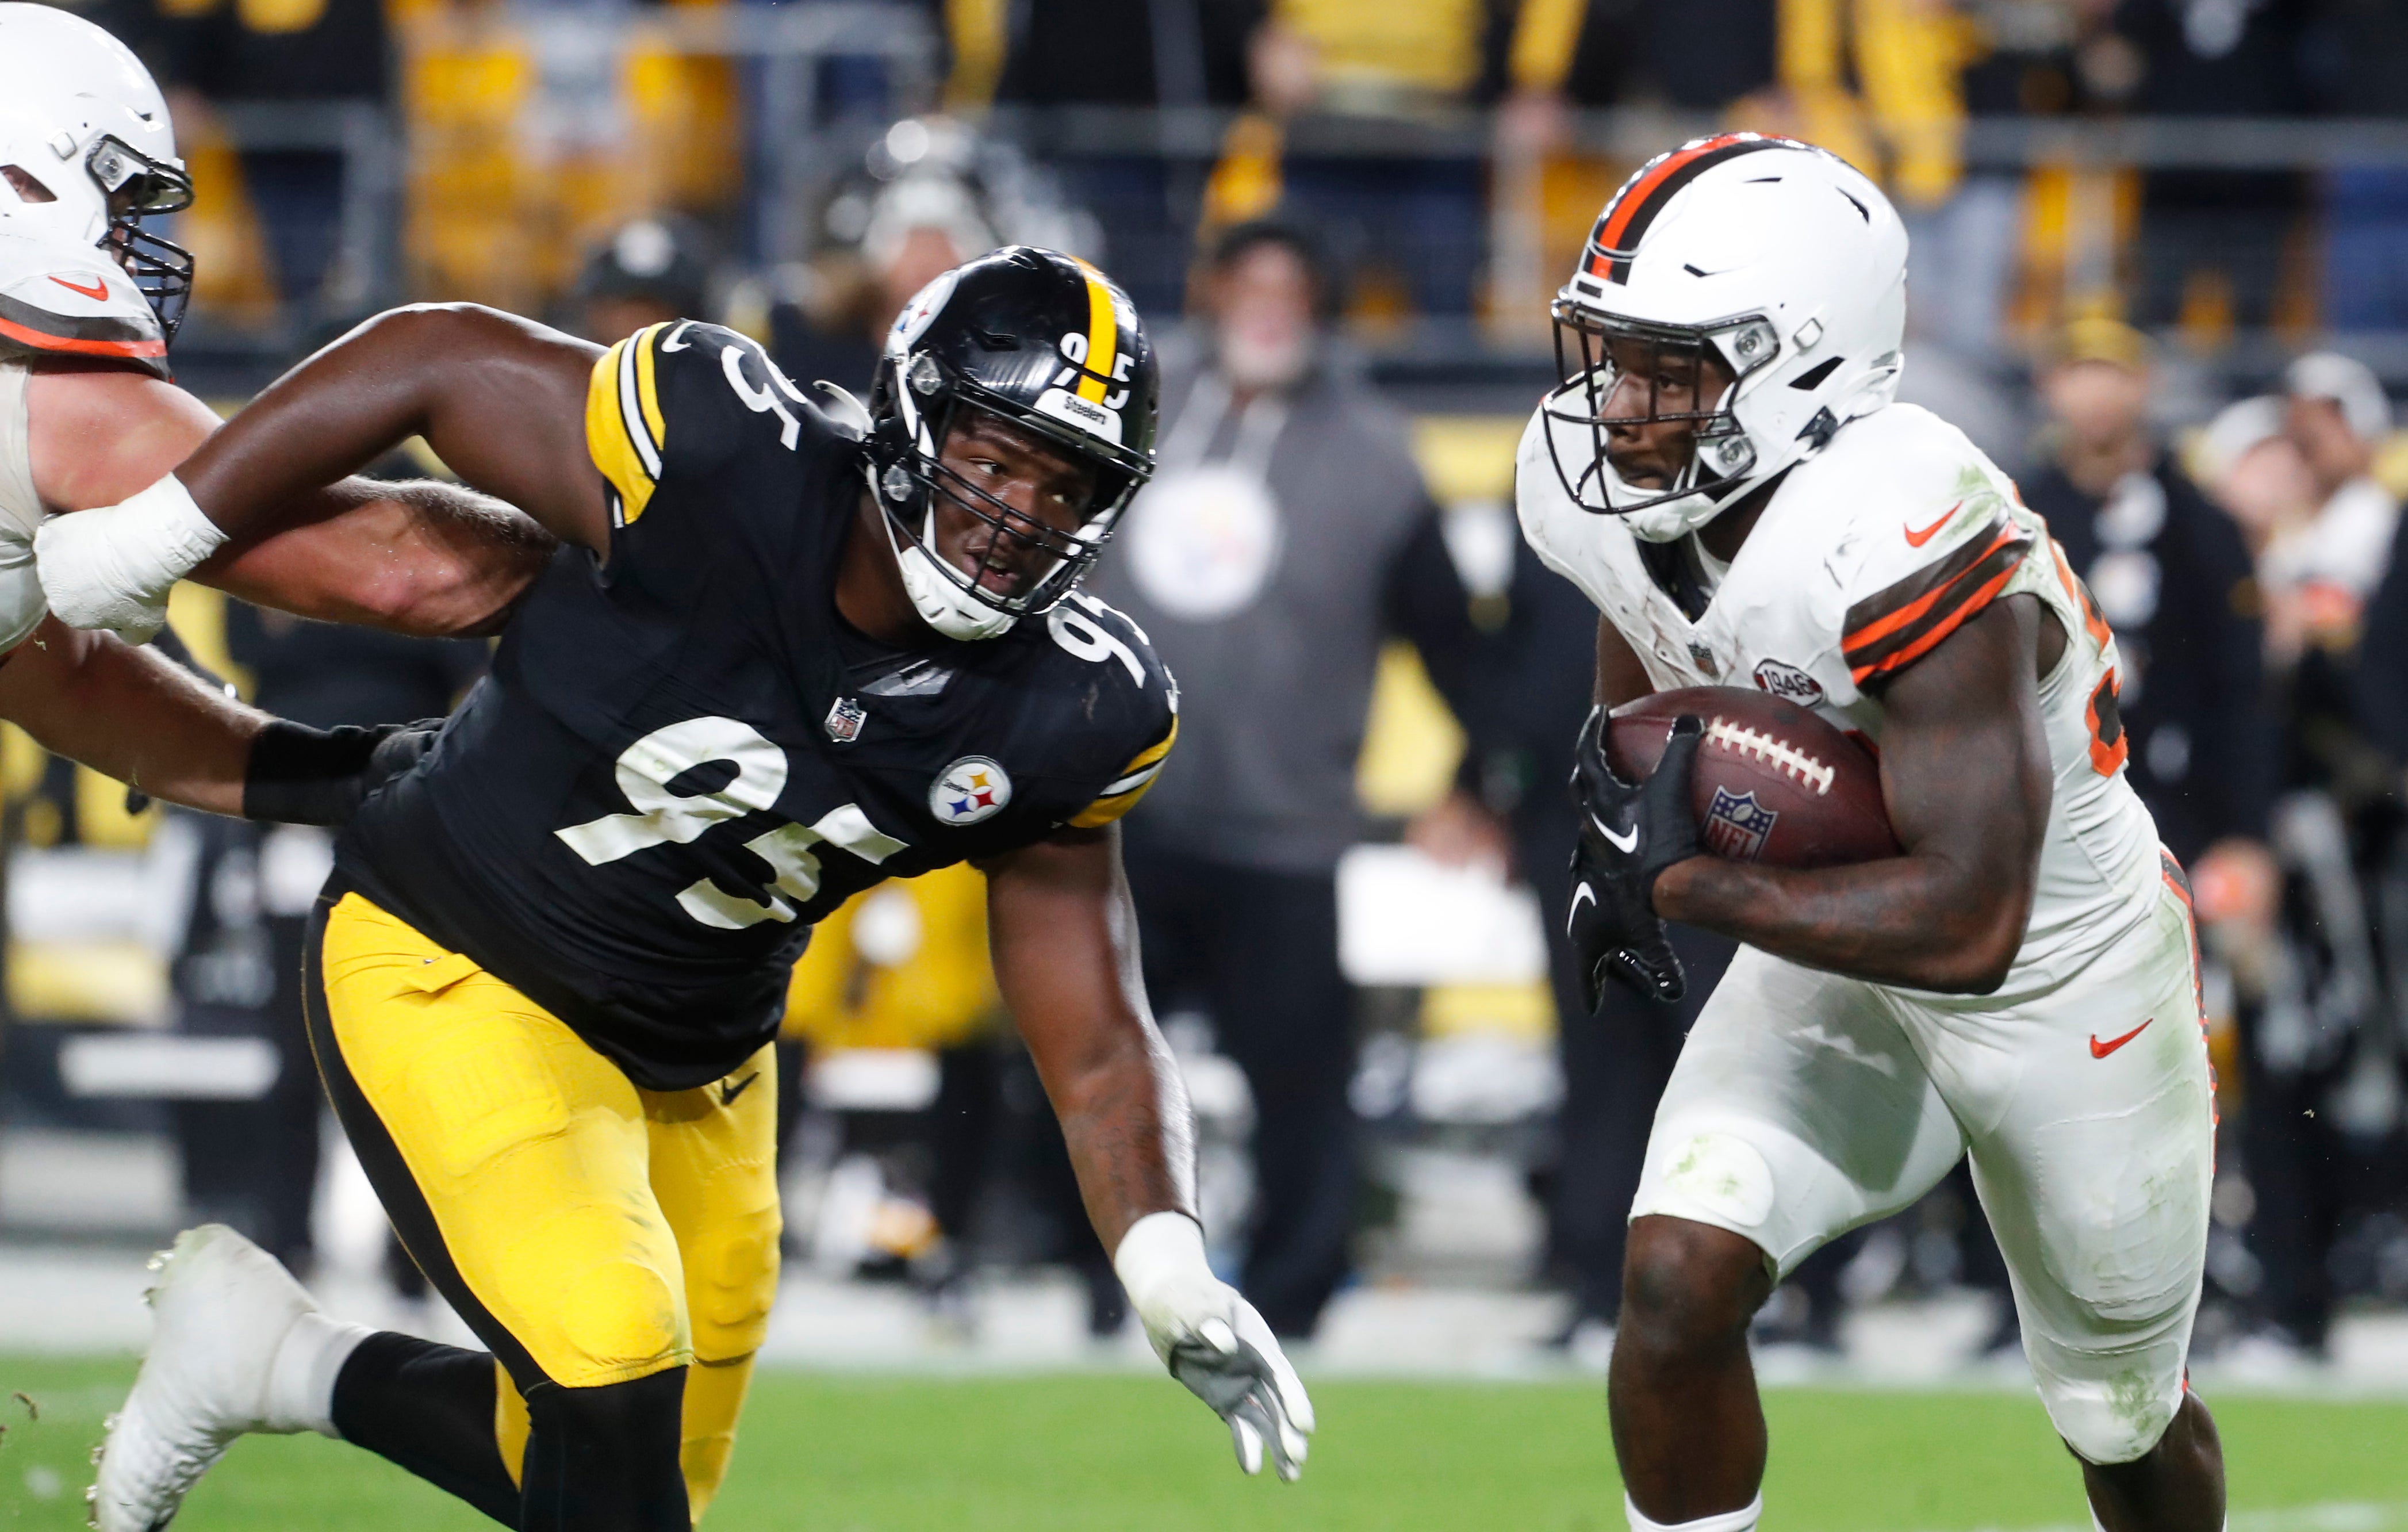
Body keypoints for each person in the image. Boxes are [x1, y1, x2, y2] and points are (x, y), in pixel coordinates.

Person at [54, 247, 1315, 1532]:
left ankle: (270, 1360)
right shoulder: (724, 453)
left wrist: (1168, 1265)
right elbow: (428, 355)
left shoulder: (1077, 706)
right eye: (995, 457)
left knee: (626, 1478)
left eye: (1067, 487)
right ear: (913, 416)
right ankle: (275, 1360)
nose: (1017, 517)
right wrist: (167, 527)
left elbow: (1100, 1042)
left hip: (703, 1066)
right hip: (457, 955)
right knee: (610, 1361)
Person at [1519, 134, 2222, 1532]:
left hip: (2059, 971)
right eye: (1612, 354)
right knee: (1673, 1279)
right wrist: (1629, 810)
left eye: (1673, 367)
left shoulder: (1907, 526)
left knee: (2116, 1418)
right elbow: (1659, 659)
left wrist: (1691, 879)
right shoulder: (1601, 477)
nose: (1624, 405)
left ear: (1809, 363)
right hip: (1843, 938)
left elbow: (1972, 921)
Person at [1084, 218, 1477, 1339]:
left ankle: (1298, 1297)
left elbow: (1452, 640)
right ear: (1212, 294)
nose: (1268, 307)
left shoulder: (1374, 458)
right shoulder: (1129, 419)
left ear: (1322, 309)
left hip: (1286, 831)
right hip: (1119, 817)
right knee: (1093, 1059)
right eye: (1248, 283)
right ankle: (1090, 1276)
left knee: (1301, 1084)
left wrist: (1478, 777)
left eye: (1291, 288)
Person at [0, 5, 537, 819]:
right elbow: (414, 574)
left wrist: (354, 776)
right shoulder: (60, 400)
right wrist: (643, 558)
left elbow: (70, 684)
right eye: (113, 200)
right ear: (21, 176)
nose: (121, 243)